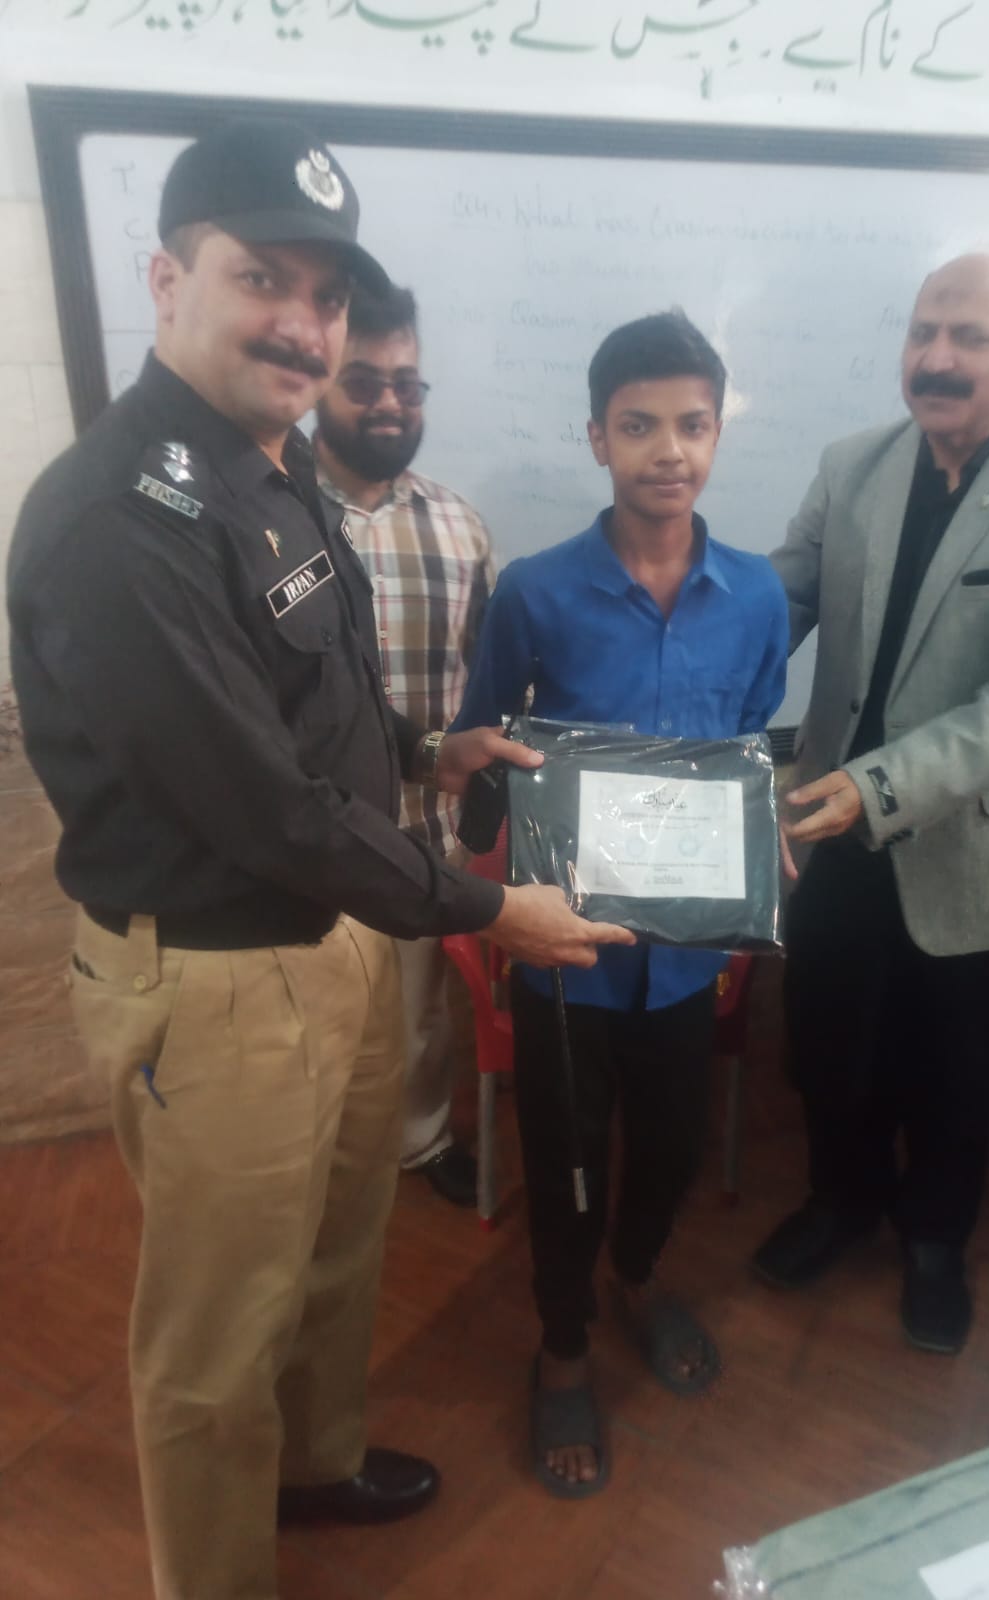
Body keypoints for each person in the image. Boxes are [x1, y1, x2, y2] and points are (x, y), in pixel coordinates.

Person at [6, 119, 632, 1600]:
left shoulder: (267, 466)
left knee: (341, 1241)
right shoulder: (119, 518)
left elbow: (310, 706)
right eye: (262, 278)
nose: (303, 323)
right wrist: (489, 907)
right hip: (218, 977)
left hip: (333, 937)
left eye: (327, 296)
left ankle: (315, 1465)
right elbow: (265, 806)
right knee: (214, 1337)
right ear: (168, 280)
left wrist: (429, 753)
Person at [755, 253, 989, 1356]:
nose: (936, 357)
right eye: (924, 331)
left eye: (971, 336)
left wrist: (877, 785)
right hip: (828, 831)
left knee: (958, 1067)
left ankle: (935, 1242)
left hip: (975, 839)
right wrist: (666, 658)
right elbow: (774, 604)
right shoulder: (852, 465)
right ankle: (841, 1200)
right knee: (829, 1041)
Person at [453, 311, 789, 1496]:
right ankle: (561, 1344)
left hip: (689, 952)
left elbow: (749, 744)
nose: (668, 450)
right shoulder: (536, 592)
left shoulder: (757, 594)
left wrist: (756, 840)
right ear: (597, 437)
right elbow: (480, 740)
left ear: (717, 435)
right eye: (639, 425)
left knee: (674, 1144)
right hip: (565, 951)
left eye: (693, 424)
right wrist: (488, 807)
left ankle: (637, 1274)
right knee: (562, 1157)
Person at [315, 282, 493, 1208]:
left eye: (408, 385)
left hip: (425, 829)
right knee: (311, 1025)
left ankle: (421, 1143)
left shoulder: (460, 528)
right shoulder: (272, 518)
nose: (389, 402)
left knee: (419, 1015)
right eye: (364, 382)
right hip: (302, 838)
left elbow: (489, 674)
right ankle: (319, 1168)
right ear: (321, 381)